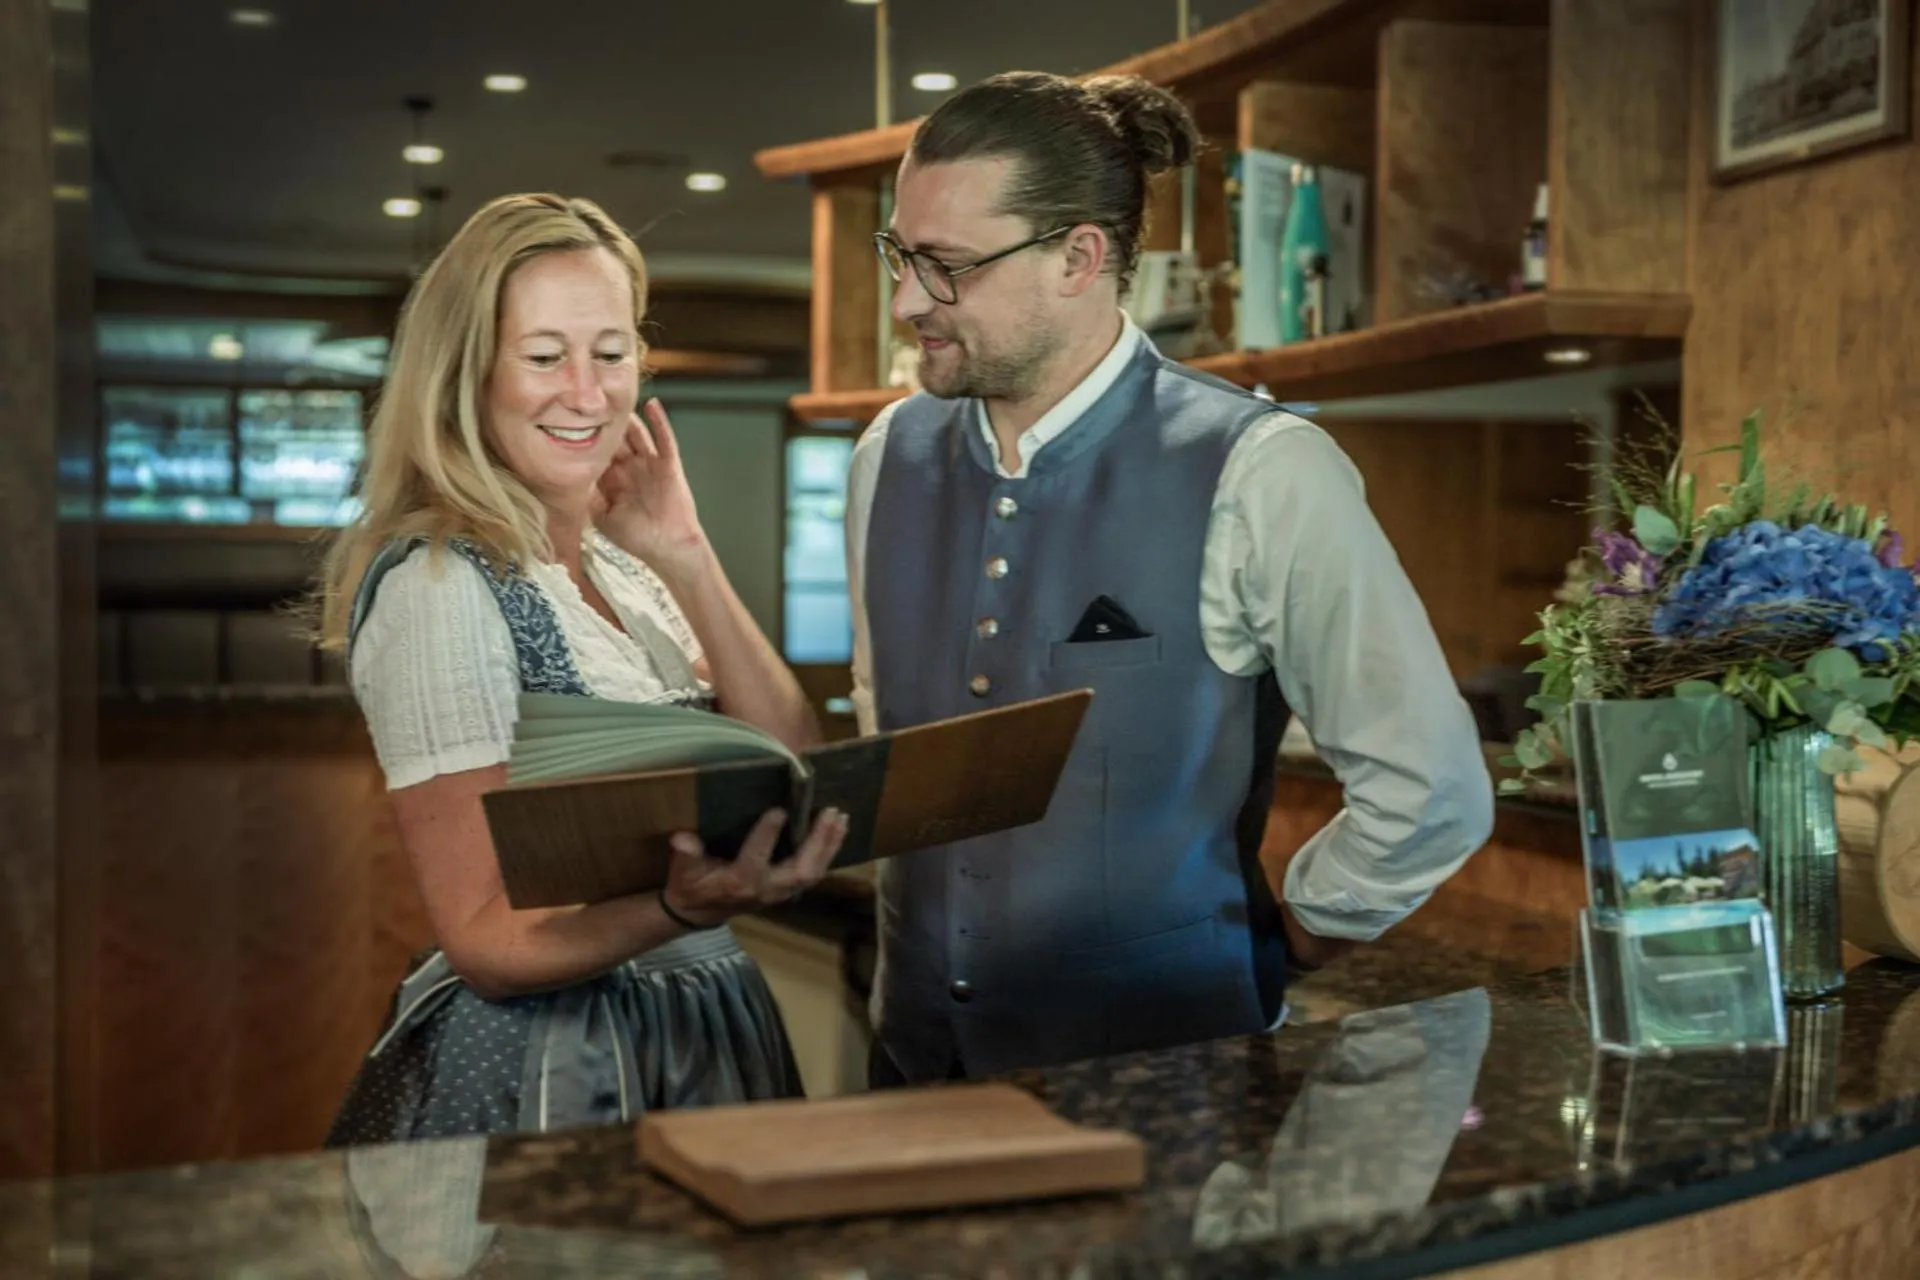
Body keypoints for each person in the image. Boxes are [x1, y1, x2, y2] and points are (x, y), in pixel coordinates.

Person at [845, 72, 1495, 1085]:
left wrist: (1303, 930)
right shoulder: (889, 452)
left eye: (946, 266)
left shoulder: (1264, 467)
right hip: (908, 1074)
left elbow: (1433, 787)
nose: (904, 300)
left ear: (1080, 257)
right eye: (899, 251)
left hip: (1168, 1103)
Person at [313, 193, 848, 1144]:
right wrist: (676, 905)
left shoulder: (624, 566)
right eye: (545, 354)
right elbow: (484, 940)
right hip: (557, 1061)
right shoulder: (439, 583)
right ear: (466, 374)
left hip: (705, 1020)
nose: (589, 392)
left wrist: (685, 549)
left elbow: (792, 763)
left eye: (611, 352)